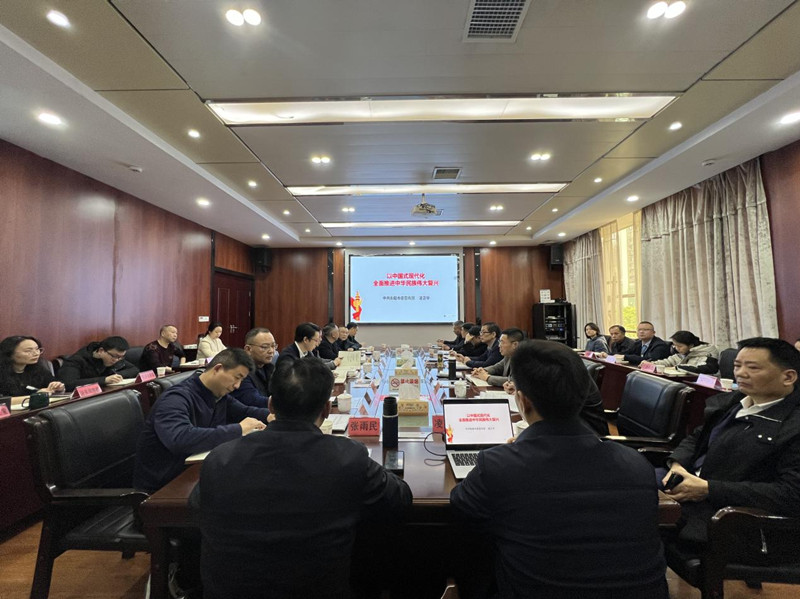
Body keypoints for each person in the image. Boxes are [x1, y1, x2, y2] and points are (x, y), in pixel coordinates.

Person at [451, 340, 667, 598]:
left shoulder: (498, 465)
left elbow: (461, 506)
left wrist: (510, 454)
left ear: (522, 400)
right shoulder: (636, 465)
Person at [189, 356, 412, 599]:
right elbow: (400, 498)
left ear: (271, 405)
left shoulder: (220, 458)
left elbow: (196, 506)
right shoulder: (347, 457)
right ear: (326, 409)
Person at [661, 337, 800, 544]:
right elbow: (698, 436)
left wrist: (708, 488)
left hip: (730, 517)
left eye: (752, 367)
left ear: (788, 377)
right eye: (737, 365)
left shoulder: (793, 424)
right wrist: (677, 466)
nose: (740, 373)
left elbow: (791, 494)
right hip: (688, 485)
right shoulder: (735, 401)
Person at [133, 348, 270, 493]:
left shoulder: (217, 393)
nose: (237, 386)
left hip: (195, 472)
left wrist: (272, 416)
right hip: (163, 486)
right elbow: (180, 438)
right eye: (237, 377)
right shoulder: (176, 398)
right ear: (218, 369)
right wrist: (238, 429)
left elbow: (244, 411)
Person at [59, 336, 139, 390]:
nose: (117, 360)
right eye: (114, 356)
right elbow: (68, 383)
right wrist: (104, 380)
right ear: (101, 351)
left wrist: (115, 376)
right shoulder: (77, 360)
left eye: (120, 357)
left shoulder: (114, 357)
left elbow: (134, 369)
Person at [0, 336, 65, 397]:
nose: (36, 353)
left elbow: (53, 387)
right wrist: (35, 396)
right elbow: (3, 401)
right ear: (9, 354)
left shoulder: (38, 369)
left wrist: (58, 387)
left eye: (37, 349)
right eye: (28, 351)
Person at [231, 327, 276, 409]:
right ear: (248, 349)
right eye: (264, 347)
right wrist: (282, 401)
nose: (271, 351)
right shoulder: (241, 370)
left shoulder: (270, 367)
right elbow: (253, 401)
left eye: (273, 346)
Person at [644, 330, 719, 374]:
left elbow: (701, 370)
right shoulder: (683, 353)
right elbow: (668, 361)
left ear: (691, 345)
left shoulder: (706, 353)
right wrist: (651, 364)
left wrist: (677, 367)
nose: (677, 349)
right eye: (675, 345)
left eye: (679, 346)